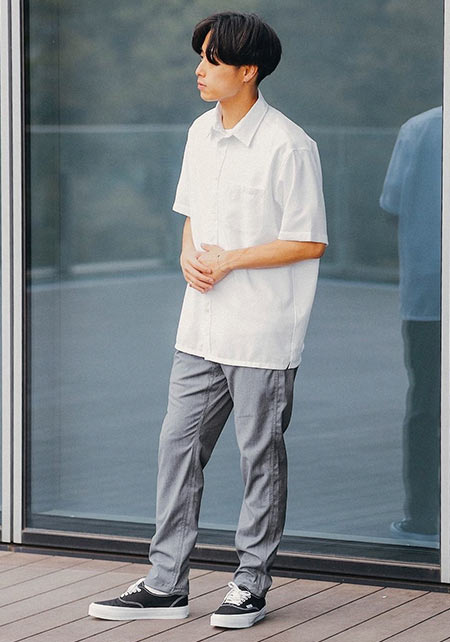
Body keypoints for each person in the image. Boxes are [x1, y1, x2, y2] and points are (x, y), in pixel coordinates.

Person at [88, 11, 328, 629]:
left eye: (212, 60)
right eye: (200, 56)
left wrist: (231, 260)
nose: (199, 69)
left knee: (259, 458)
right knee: (177, 449)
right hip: (200, 327)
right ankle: (166, 584)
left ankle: (250, 584)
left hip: (262, 331)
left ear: (248, 71)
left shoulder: (289, 146)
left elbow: (309, 240)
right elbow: (192, 213)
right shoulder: (200, 131)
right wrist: (188, 255)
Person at [379, 106, 442, 542]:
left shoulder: (419, 128)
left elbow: (391, 205)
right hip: (428, 296)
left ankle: (422, 516)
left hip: (427, 294)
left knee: (426, 406)